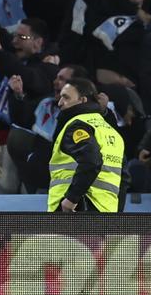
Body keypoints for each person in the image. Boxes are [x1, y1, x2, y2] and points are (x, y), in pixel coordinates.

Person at [46, 77, 125, 213]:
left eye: (66, 98)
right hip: (106, 212)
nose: (60, 103)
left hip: (77, 208)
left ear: (82, 100)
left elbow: (92, 160)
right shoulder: (111, 131)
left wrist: (71, 199)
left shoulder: (78, 126)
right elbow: (124, 178)